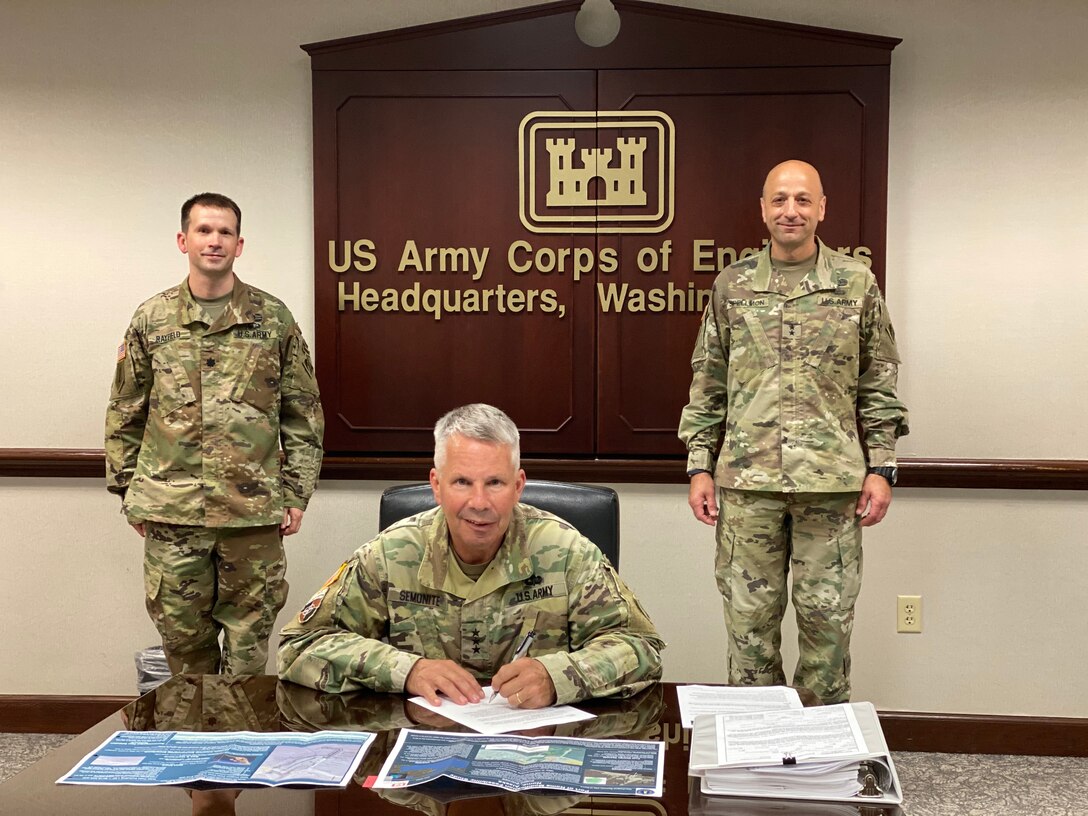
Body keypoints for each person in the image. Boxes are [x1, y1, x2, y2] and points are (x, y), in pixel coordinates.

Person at [678, 160, 909, 703]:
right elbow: (708, 380)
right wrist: (698, 465)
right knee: (749, 628)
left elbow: (878, 379)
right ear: (762, 210)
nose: (791, 211)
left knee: (827, 629)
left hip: (831, 488)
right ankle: (756, 754)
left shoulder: (855, 284)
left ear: (822, 209)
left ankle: (821, 759)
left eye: (803, 200)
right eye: (779, 200)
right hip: (747, 486)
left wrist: (881, 466)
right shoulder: (732, 286)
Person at [278, 403, 664, 708]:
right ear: (436, 485)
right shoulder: (392, 553)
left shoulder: (565, 552)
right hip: (424, 766)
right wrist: (406, 670)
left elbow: (640, 648)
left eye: (495, 483)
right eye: (462, 482)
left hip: (536, 763)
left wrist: (557, 676)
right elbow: (299, 647)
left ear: (518, 486)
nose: (479, 503)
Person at [106, 192, 324, 676]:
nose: (214, 240)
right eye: (204, 230)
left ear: (239, 244)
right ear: (184, 240)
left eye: (225, 232)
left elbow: (303, 413)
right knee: (185, 648)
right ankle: (194, 748)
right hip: (172, 511)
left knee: (249, 649)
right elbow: (125, 410)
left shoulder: (273, 319)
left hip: (252, 513)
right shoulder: (152, 319)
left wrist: (297, 493)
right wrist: (129, 493)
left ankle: (243, 751)